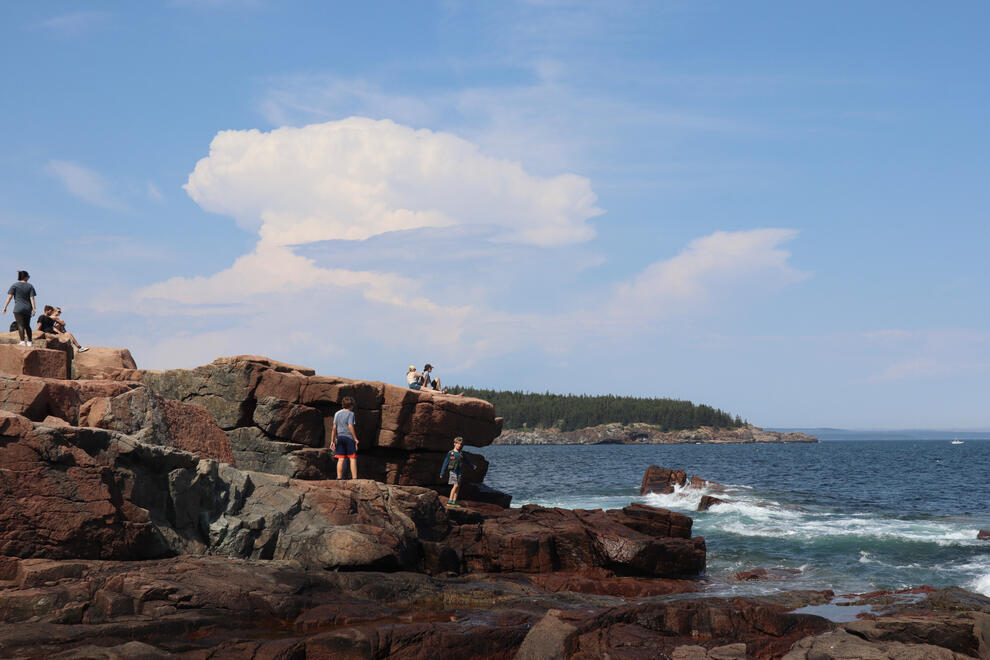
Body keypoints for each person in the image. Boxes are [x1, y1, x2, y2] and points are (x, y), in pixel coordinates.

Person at [3, 271, 36, 346]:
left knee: (20, 325)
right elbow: (32, 298)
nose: (28, 278)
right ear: (25, 277)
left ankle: (22, 341)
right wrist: (34, 308)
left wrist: (5, 307)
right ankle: (30, 342)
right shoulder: (30, 286)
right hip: (28, 308)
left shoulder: (15, 285)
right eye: (28, 276)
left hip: (18, 308)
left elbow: (9, 297)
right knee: (27, 325)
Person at [439, 436, 475, 507]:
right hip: (453, 472)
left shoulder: (461, 453)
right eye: (458, 444)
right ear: (454, 444)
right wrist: (442, 473)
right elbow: (445, 463)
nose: (459, 445)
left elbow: (467, 461)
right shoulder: (450, 453)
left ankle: (454, 501)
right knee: (455, 485)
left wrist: (472, 465)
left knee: (458, 487)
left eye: (461, 444)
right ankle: (449, 501)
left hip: (459, 472)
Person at [330, 396, 359, 479]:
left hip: (340, 438)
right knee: (352, 458)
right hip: (349, 438)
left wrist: (332, 441)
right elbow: (350, 426)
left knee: (340, 458)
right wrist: (355, 438)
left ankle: (339, 478)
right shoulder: (351, 413)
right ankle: (354, 479)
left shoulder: (337, 413)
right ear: (351, 405)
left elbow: (334, 428)